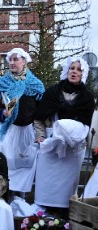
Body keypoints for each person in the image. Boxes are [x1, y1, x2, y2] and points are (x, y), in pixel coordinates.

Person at [34, 56, 94, 216]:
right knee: (46, 183)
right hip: (50, 143)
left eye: (79, 69)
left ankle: (65, 221)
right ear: (67, 70)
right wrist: (40, 137)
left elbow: (86, 126)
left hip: (73, 148)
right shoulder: (52, 92)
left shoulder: (87, 99)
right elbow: (39, 117)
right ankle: (42, 218)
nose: (74, 72)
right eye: (72, 68)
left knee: (66, 189)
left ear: (83, 74)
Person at [0, 48, 44, 199]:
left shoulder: (36, 85)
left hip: (26, 134)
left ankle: (20, 203)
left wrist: (40, 134)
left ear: (24, 61)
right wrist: (2, 113)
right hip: (6, 131)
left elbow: (41, 114)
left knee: (24, 167)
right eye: (10, 60)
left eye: (15, 59)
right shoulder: (2, 83)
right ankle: (1, 200)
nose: (12, 63)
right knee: (4, 166)